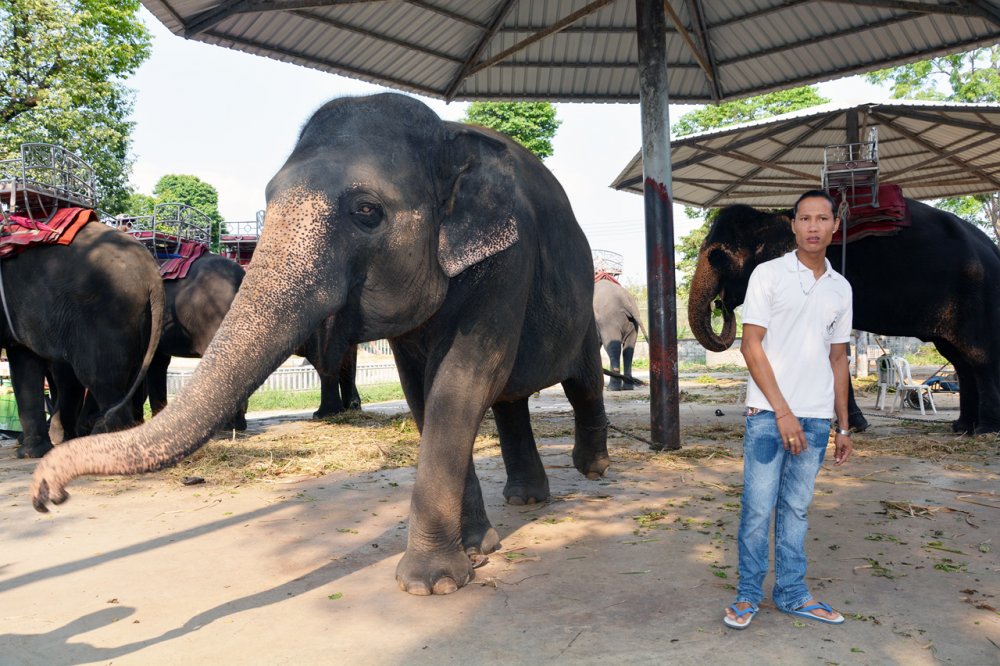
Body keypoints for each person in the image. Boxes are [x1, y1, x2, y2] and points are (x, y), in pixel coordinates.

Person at [723, 189, 854, 630]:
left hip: (816, 419)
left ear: (835, 226)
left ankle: (793, 592)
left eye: (822, 219)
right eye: (805, 219)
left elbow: (839, 359)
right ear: (792, 225)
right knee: (758, 509)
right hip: (767, 415)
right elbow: (750, 344)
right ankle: (747, 596)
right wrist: (781, 411)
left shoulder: (841, 288)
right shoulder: (769, 275)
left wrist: (844, 425)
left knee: (796, 510)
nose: (814, 227)